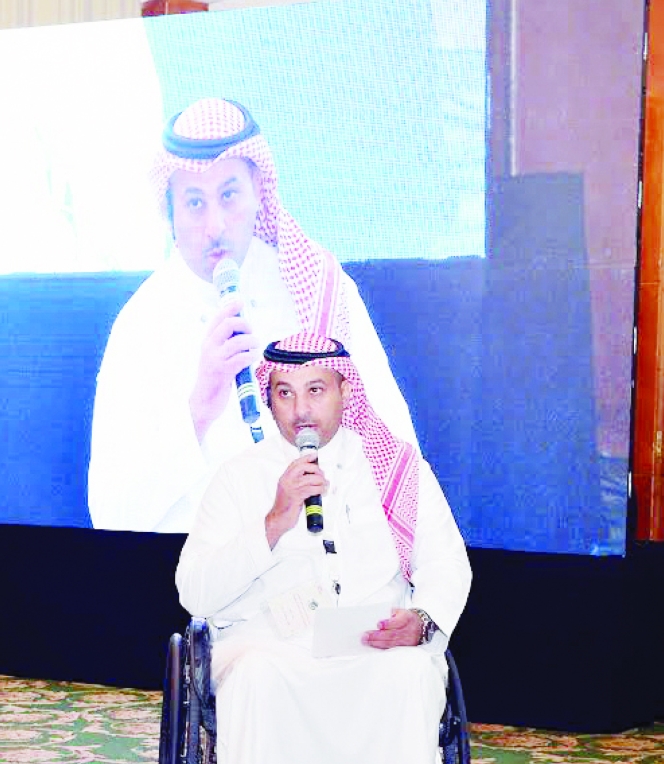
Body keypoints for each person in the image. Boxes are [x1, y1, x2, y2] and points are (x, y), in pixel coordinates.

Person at [175, 333, 471, 764]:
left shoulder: (396, 471)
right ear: (269, 400)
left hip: (373, 644)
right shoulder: (237, 479)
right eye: (285, 394)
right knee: (258, 676)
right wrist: (275, 520)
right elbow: (194, 592)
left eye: (316, 390)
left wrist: (421, 619)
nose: (301, 410)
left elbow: (448, 565)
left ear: (344, 392)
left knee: (409, 673)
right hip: (269, 645)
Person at [88, 97, 417, 533]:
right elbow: (110, 513)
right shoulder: (141, 325)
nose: (215, 226)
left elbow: (397, 454)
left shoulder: (321, 290)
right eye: (195, 203)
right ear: (170, 212)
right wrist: (199, 409)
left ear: (258, 191)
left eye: (229, 196)